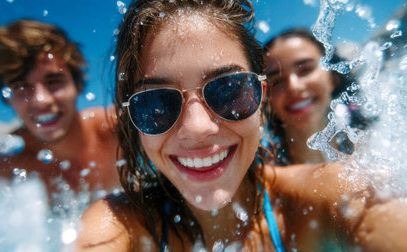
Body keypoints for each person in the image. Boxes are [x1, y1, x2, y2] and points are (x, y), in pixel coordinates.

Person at [75, 1, 407, 251]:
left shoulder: (323, 195)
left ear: (261, 97)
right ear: (133, 121)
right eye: (157, 103)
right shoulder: (120, 225)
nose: (197, 127)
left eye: (229, 89)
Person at [0, 20, 121, 199]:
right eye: (21, 86)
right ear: (7, 98)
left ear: (77, 85)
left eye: (53, 81)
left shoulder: (120, 131)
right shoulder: (4, 167)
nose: (41, 99)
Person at [263, 28, 371, 165]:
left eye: (305, 69)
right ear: (265, 98)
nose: (293, 86)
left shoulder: (373, 145)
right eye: (276, 81)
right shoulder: (261, 176)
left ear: (333, 77)